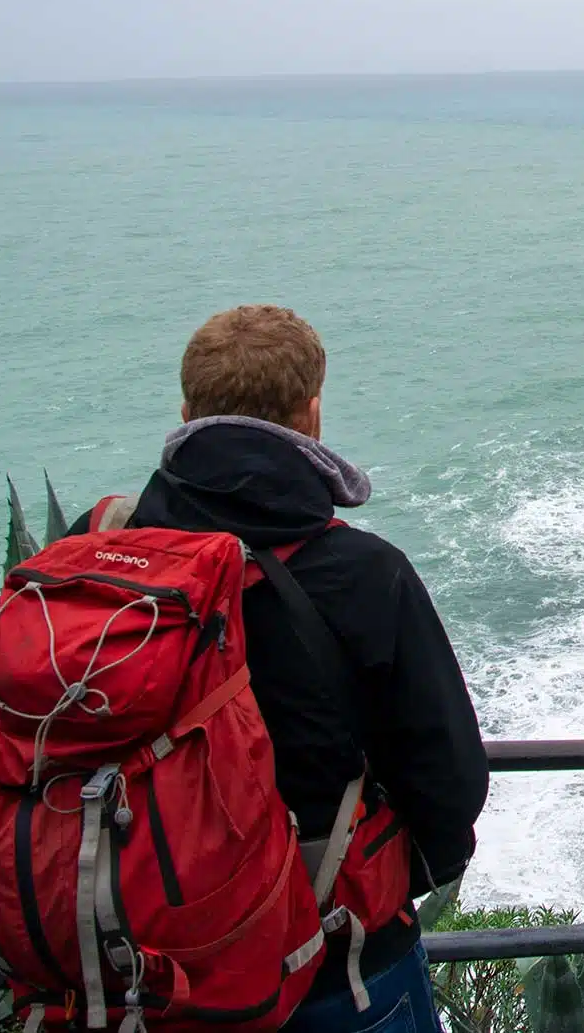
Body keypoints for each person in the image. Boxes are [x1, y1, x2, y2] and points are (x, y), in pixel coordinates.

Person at [72, 304, 488, 1032]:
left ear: (185, 412)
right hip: (338, 962)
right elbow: (450, 780)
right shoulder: (365, 573)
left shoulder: (98, 549)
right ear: (312, 414)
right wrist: (385, 875)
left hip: (144, 972)